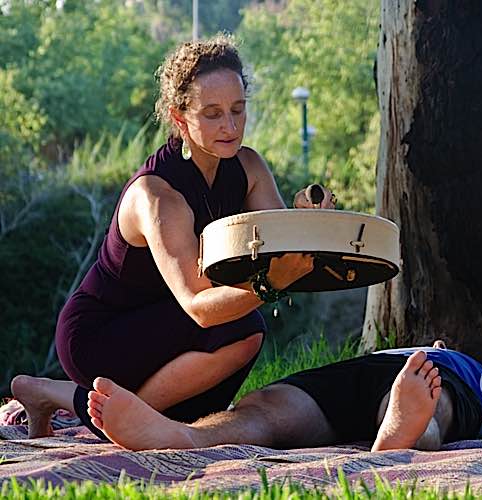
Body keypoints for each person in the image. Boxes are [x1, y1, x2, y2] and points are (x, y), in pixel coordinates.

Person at [10, 35, 334, 440]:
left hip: (172, 325)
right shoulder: (158, 198)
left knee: (232, 352)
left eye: (238, 109)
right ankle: (94, 411)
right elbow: (200, 307)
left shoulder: (248, 166)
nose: (230, 126)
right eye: (212, 114)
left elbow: (278, 243)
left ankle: (58, 397)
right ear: (179, 119)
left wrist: (310, 220)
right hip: (100, 334)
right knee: (243, 327)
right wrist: (271, 284)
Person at [86, 341, 482, 452]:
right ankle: (179, 435)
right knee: (266, 412)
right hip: (366, 372)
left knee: (431, 398)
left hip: (427, 380)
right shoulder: (414, 351)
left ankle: (408, 429)